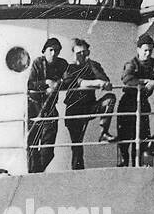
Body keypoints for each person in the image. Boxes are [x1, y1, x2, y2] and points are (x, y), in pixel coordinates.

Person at [60, 38, 115, 169]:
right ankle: (77, 173)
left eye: (85, 52)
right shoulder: (69, 68)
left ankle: (104, 133)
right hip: (74, 110)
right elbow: (78, 83)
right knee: (77, 146)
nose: (82, 55)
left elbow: (105, 80)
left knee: (110, 99)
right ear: (73, 53)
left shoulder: (93, 65)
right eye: (79, 53)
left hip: (89, 106)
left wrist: (91, 65)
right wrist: (97, 83)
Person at [115, 33, 154, 166]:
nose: (148, 53)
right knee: (124, 141)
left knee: (141, 139)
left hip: (143, 104)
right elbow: (127, 79)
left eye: (150, 50)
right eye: (145, 50)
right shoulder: (132, 64)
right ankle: (122, 170)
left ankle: (137, 168)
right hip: (128, 104)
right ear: (138, 49)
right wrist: (146, 81)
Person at [25, 38, 68, 173]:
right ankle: (34, 175)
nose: (54, 53)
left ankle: (36, 173)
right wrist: (46, 83)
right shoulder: (38, 62)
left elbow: (69, 81)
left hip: (49, 108)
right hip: (34, 107)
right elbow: (30, 84)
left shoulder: (62, 64)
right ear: (45, 51)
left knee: (48, 151)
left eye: (57, 50)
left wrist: (57, 85)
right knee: (32, 146)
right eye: (51, 50)